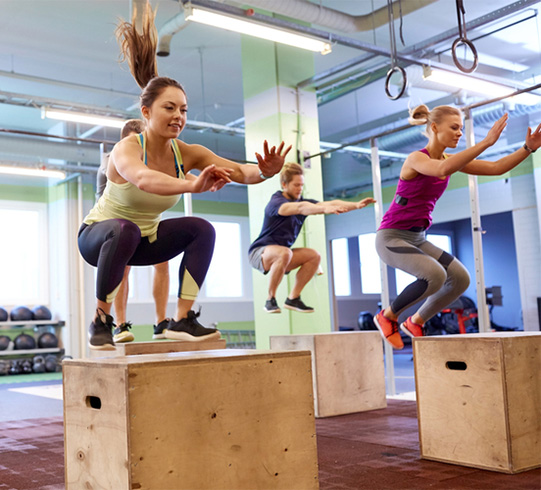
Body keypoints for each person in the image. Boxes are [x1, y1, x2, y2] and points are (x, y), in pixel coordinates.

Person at [78, 2, 291, 350]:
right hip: (99, 239)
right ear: (146, 112)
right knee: (125, 228)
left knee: (201, 229)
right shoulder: (128, 148)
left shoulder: (186, 151)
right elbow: (145, 180)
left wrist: (264, 173)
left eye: (183, 110)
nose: (178, 116)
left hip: (142, 241)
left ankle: (180, 319)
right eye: (169, 108)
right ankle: (102, 319)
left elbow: (240, 171)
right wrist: (192, 184)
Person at [373, 104, 541, 350]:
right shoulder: (417, 158)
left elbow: (496, 168)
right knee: (435, 275)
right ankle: (387, 316)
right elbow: (441, 169)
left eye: (461, 129)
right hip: (391, 238)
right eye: (454, 128)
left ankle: (416, 321)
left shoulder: (451, 160)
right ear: (434, 127)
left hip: (417, 237)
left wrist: (528, 149)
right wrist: (485, 142)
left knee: (460, 278)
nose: (459, 133)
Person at [249, 162, 376, 313]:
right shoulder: (276, 203)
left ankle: (293, 299)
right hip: (260, 253)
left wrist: (355, 205)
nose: (300, 189)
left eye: (301, 185)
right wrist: (324, 209)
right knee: (285, 252)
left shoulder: (302, 201)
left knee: (314, 256)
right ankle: (270, 300)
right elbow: (300, 208)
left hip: (282, 256)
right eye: (296, 185)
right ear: (284, 184)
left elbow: (330, 202)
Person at [95, 119, 171, 344]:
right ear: (124, 141)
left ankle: (161, 322)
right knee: (124, 267)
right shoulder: (113, 160)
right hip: (115, 221)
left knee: (163, 259)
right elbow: (141, 181)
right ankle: (119, 325)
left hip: (143, 216)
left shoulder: (148, 158)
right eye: (134, 141)